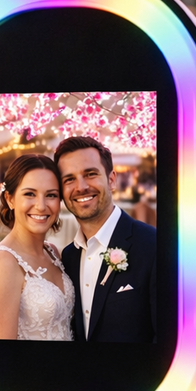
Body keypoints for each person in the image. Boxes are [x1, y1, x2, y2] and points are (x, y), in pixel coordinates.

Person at [55, 135, 157, 343]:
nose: (81, 187)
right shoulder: (68, 256)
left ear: (111, 180)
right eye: (69, 179)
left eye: (90, 174)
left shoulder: (154, 245)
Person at [0, 154, 74, 340]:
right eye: (30, 194)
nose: (41, 206)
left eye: (51, 195)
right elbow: (2, 355)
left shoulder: (53, 252)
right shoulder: (3, 263)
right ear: (10, 199)